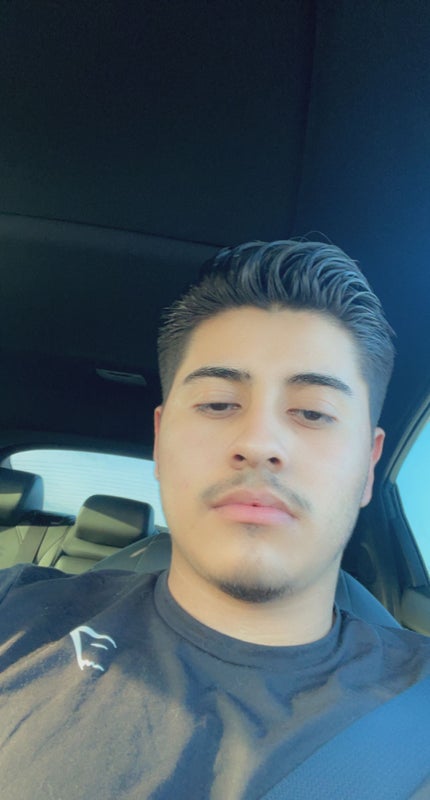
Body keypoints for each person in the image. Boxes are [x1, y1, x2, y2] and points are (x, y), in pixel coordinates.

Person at [0, 240, 429, 799]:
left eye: (313, 412)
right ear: (160, 440)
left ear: (368, 466)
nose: (259, 443)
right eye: (218, 403)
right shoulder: (15, 614)